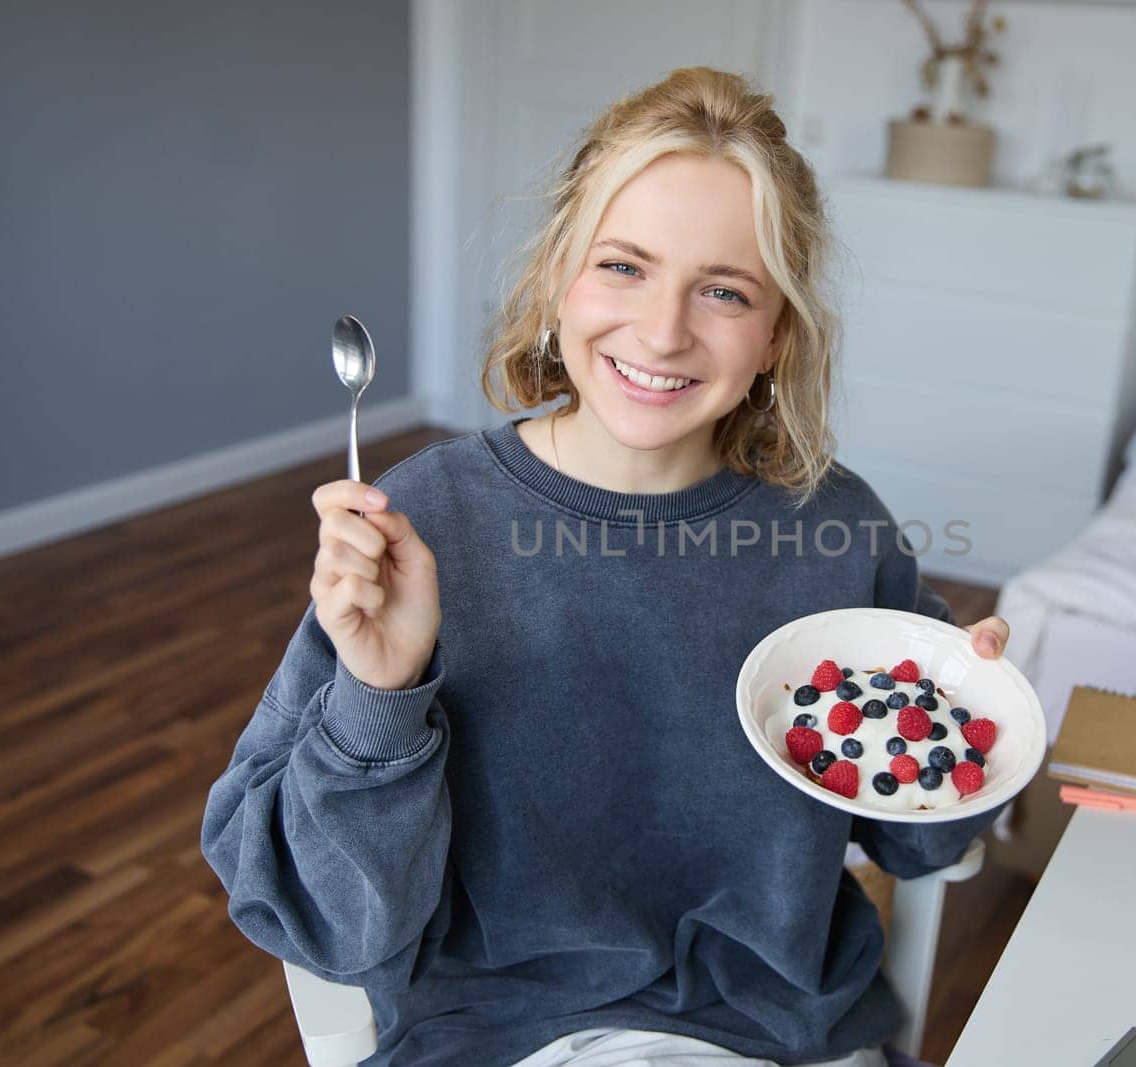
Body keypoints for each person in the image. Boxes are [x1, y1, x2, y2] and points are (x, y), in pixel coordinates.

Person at [201, 66, 1014, 1067]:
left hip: (777, 1034)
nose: (665, 330)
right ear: (556, 280)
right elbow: (325, 922)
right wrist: (378, 688)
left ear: (774, 338)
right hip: (510, 1034)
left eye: (724, 290)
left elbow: (924, 843)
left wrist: (966, 712)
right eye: (622, 266)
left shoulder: (835, 528)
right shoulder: (427, 520)